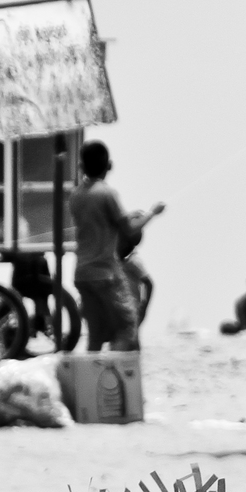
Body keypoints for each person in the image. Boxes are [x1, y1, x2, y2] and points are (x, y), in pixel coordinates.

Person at [65, 141, 161, 353]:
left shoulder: (76, 196)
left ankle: (91, 381)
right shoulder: (106, 194)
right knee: (127, 327)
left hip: (82, 273)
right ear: (109, 166)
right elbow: (130, 229)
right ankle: (112, 380)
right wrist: (152, 214)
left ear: (81, 166)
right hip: (105, 273)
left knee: (95, 334)